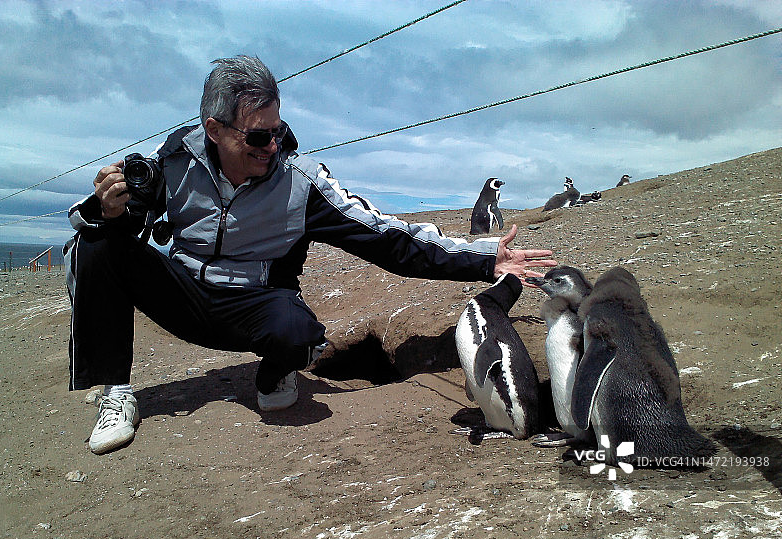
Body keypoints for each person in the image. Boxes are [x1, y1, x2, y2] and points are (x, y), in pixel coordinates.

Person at [65, 55, 556, 455]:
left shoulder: (300, 185)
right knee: (99, 243)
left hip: (254, 305)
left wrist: (485, 258)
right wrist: (106, 210)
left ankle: (276, 374)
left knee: (299, 333)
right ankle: (115, 390)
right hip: (186, 295)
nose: (272, 146)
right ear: (215, 131)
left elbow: (388, 238)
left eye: (277, 131)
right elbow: (109, 228)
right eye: (258, 136)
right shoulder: (172, 166)